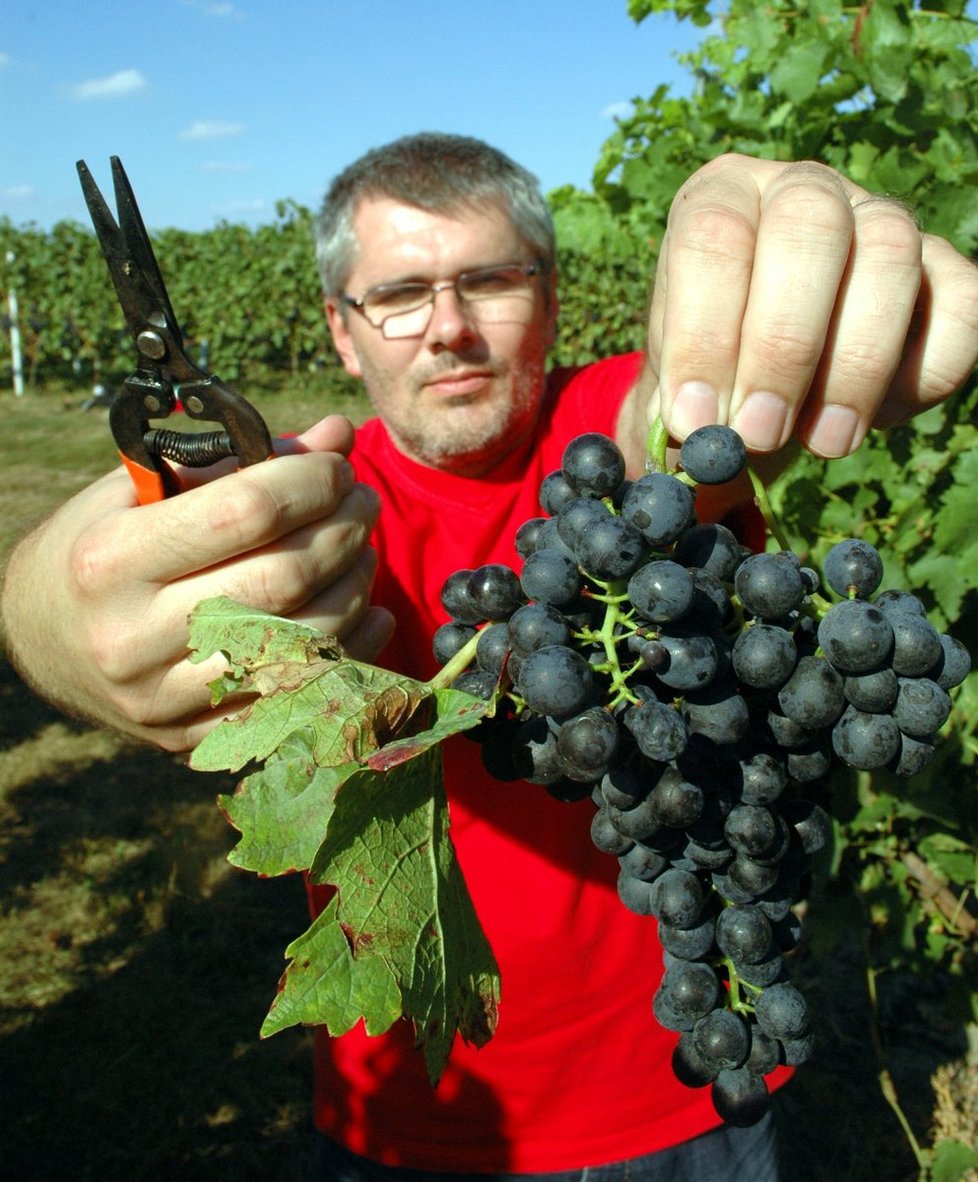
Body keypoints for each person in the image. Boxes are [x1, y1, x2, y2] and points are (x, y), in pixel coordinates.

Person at [3, 133, 977, 1181]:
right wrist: (54, 612)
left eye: (491, 280)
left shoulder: (615, 458)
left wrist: (773, 317)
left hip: (691, 1077)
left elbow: (673, 428)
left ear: (552, 299)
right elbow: (52, 603)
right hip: (416, 1105)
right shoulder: (315, 519)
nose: (450, 329)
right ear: (342, 328)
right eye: (401, 293)